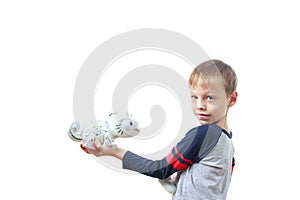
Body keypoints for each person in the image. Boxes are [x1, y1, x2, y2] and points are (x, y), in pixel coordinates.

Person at [81, 59, 238, 200]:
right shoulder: (228, 143)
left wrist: (114, 151)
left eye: (209, 97)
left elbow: (160, 169)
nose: (200, 106)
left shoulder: (205, 134)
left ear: (231, 99)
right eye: (194, 97)